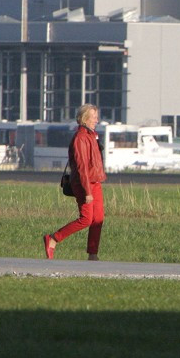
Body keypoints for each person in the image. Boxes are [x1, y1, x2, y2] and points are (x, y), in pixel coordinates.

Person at [45, 103, 106, 261]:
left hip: (96, 182)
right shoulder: (80, 138)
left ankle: (93, 254)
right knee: (86, 219)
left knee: (98, 219)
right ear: (85, 118)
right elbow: (81, 167)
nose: (96, 120)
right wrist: (87, 191)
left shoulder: (92, 136)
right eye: (93, 117)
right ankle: (53, 238)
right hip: (84, 183)